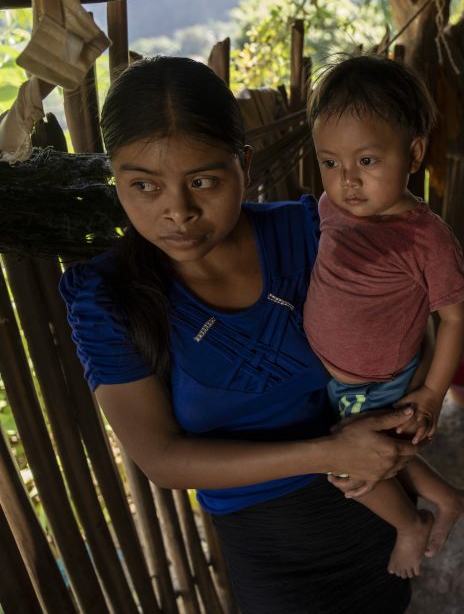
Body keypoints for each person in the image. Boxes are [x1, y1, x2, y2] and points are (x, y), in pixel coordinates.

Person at [60, 56, 426, 613]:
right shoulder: (107, 298)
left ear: (244, 165)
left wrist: (415, 414)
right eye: (144, 186)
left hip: (371, 506)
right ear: (116, 178)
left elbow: (401, 331)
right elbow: (161, 458)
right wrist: (327, 450)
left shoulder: (312, 234)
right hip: (268, 545)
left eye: (203, 181)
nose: (177, 212)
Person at [302, 54, 464, 579]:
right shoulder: (332, 209)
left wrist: (431, 394)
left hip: (378, 382)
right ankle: (448, 498)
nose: (347, 180)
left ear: (414, 153)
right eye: (330, 163)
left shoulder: (425, 238)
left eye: (367, 162)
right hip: (339, 379)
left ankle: (410, 526)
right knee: (382, 452)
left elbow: (455, 319)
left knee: (347, 462)